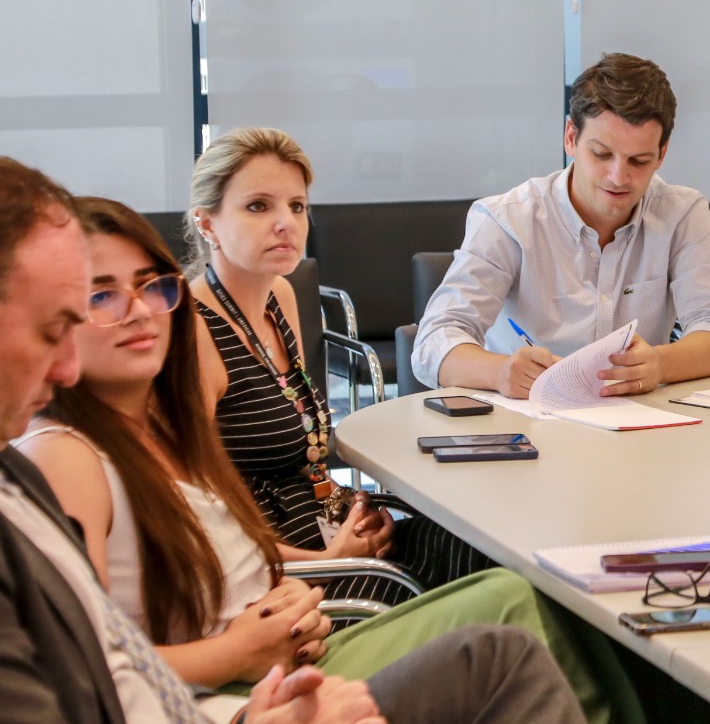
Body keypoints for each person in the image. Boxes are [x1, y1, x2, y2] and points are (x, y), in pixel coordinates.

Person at [0, 153, 586, 724]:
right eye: (55, 328)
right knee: (510, 651)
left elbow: (105, 663)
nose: (66, 367)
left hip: (223, 714)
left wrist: (242, 721)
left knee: (507, 651)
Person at [21, 197, 640, 724]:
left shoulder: (163, 426)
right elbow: (85, 668)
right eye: (100, 294)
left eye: (151, 285)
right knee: (509, 625)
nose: (138, 309)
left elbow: (217, 558)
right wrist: (232, 652)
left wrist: (290, 586)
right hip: (240, 699)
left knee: (533, 591)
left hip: (289, 648)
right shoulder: (66, 455)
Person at [187, 128, 490, 600]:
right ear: (207, 224)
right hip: (285, 583)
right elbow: (198, 527)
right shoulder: (193, 330)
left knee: (488, 549)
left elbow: (302, 455)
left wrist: (355, 511)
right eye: (258, 206)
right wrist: (331, 560)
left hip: (326, 542)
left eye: (297, 206)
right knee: (489, 591)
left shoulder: (279, 297)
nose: (285, 222)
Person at [412, 52, 710, 397]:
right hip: (524, 425)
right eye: (602, 155)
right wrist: (500, 372)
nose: (618, 177)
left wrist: (660, 364)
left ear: (661, 155)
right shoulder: (507, 219)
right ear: (571, 137)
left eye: (639, 160)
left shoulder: (682, 214)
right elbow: (433, 342)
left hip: (639, 427)